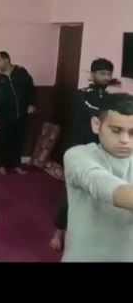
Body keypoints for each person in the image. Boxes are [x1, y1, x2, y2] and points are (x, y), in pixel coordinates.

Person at [50, 58, 114, 250]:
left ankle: (92, 234)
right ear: (92, 75)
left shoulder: (111, 99)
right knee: (72, 194)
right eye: (102, 73)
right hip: (81, 151)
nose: (106, 77)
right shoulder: (81, 96)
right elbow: (96, 113)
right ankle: (58, 232)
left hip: (104, 153)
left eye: (109, 74)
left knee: (100, 195)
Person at [62, 93, 133, 262]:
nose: (125, 140)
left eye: (132, 133)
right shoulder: (77, 156)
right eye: (116, 130)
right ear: (96, 125)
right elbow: (102, 184)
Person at [0, 51, 36, 175]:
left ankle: (16, 164)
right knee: (4, 139)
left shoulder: (21, 72)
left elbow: (31, 88)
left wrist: (32, 104)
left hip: (21, 113)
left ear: (7, 60)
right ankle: (2, 165)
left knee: (19, 139)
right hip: (5, 115)